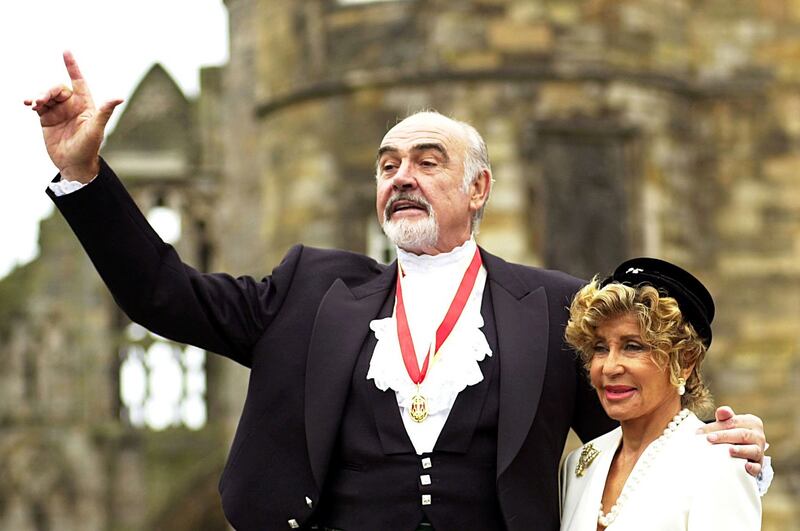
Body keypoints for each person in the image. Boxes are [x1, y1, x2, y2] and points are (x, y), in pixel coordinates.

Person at [25, 52, 770, 531]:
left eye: (426, 160)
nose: (401, 176)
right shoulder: (311, 289)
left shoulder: (550, 306)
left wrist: (727, 449)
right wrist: (85, 179)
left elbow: (631, 430)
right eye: (387, 164)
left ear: (479, 188)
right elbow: (165, 295)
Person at [560, 258, 762, 530]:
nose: (609, 366)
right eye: (600, 348)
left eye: (632, 346)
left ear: (685, 360)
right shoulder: (580, 463)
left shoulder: (717, 465)